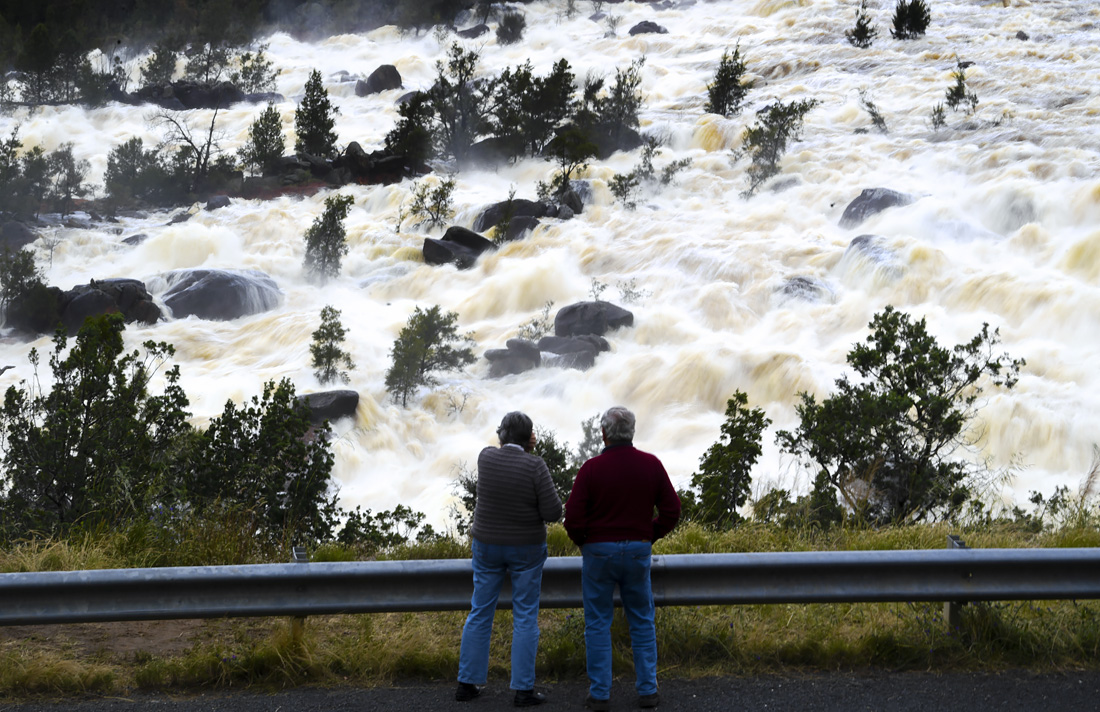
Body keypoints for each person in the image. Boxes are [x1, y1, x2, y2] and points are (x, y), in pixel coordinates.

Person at [564, 406, 681, 711]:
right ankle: (648, 691)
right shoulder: (651, 465)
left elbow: (572, 519)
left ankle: (600, 694)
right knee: (642, 621)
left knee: (598, 623)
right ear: (632, 432)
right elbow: (672, 511)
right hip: (637, 551)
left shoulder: (590, 469)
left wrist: (586, 543)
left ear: (603, 434)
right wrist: (648, 535)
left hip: (599, 553)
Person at [456, 411, 563, 707]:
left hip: (487, 546)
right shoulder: (535, 465)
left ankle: (467, 683)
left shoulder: (485, 457)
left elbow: (500, 448)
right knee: (525, 616)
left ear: (502, 435)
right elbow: (554, 513)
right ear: (530, 439)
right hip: (526, 550)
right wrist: (531, 451)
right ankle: (523, 690)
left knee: (480, 612)